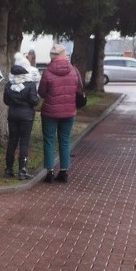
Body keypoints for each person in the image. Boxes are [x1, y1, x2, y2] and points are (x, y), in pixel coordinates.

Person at [37, 44, 82, 183]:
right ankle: (64, 172)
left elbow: (42, 93)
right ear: (64, 55)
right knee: (65, 140)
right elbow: (79, 88)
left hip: (50, 112)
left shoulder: (47, 72)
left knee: (49, 140)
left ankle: (49, 172)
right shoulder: (74, 70)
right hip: (69, 111)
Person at [3, 64, 40, 180]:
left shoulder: (9, 85)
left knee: (12, 141)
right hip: (26, 117)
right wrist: (37, 99)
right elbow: (34, 101)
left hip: (13, 115)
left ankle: (9, 169)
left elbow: (6, 101)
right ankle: (22, 170)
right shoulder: (30, 85)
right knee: (24, 142)